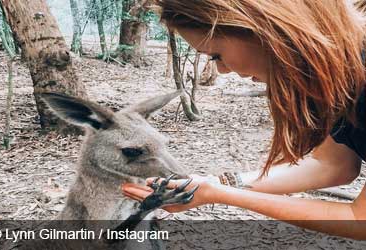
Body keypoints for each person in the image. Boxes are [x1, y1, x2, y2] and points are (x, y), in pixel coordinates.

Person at [122, 0, 366, 240]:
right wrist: (216, 183)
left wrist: (218, 194)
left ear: (253, 24)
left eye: (215, 55)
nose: (223, 70)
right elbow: (333, 165)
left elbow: (360, 220)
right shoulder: (343, 73)